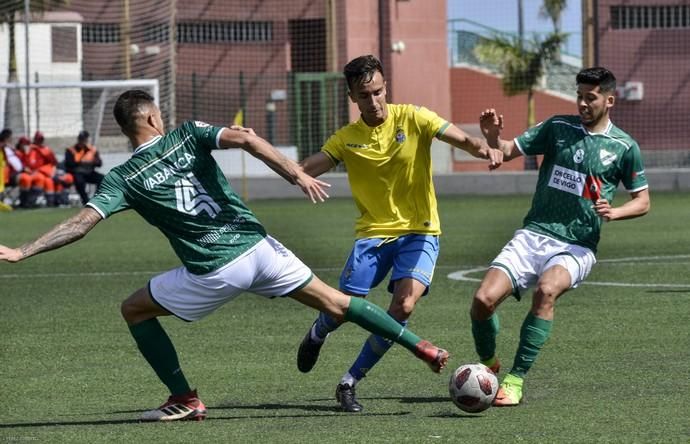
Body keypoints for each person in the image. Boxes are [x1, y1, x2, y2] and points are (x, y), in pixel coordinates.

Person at [0, 89, 449, 422]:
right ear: (154, 117)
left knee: (134, 309)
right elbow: (248, 141)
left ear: (126, 128)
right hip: (261, 248)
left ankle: (184, 397)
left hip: (215, 270)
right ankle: (421, 346)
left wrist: (23, 250)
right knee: (339, 303)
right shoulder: (190, 133)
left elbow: (81, 223)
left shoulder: (124, 178)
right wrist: (296, 174)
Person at [295, 54, 503, 412]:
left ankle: (349, 382)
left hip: (421, 232)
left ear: (385, 86)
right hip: (372, 236)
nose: (373, 101)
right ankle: (317, 333)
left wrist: (487, 143)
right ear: (352, 97)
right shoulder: (347, 139)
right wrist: (293, 171)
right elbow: (309, 166)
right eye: (364, 95)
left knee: (403, 305)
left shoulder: (414, 117)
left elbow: (463, 141)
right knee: (341, 307)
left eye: (377, 91)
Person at [471, 67, 650, 406]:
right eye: (579, 95)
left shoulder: (624, 147)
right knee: (482, 301)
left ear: (609, 100)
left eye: (590, 97)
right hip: (533, 234)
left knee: (547, 290)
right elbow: (507, 150)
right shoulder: (557, 127)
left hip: (577, 245)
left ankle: (515, 378)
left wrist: (615, 212)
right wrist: (493, 137)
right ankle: (490, 364)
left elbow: (643, 201)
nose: (582, 103)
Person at [64, 130, 104, 205]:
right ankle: (85, 200)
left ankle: (96, 199)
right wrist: (80, 162)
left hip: (89, 172)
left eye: (84, 139)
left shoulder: (92, 149)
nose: (82, 141)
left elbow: (99, 163)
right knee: (79, 181)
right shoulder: (71, 150)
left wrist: (92, 162)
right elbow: (69, 164)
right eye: (81, 139)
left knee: (102, 178)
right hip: (77, 172)